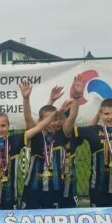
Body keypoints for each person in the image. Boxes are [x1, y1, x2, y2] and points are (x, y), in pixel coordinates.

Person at [19, 77, 82, 209]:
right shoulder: (36, 136)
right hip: (33, 188)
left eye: (55, 119)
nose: (53, 123)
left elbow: (72, 117)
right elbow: (29, 118)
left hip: (56, 189)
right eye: (49, 120)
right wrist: (26, 99)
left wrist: (76, 98)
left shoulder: (61, 135)